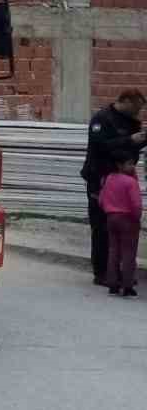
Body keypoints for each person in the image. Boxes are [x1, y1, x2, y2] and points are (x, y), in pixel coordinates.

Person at [82, 90, 146, 286]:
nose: (138, 111)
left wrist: (142, 138)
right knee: (101, 227)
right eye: (135, 107)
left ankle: (118, 272)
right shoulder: (102, 119)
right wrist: (130, 140)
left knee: (121, 228)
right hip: (100, 177)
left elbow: (131, 148)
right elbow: (100, 145)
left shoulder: (130, 120)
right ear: (124, 101)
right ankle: (101, 272)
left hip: (123, 180)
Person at [100, 152, 142, 297]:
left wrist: (109, 209)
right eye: (129, 164)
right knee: (128, 253)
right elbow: (136, 204)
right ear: (120, 165)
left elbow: (101, 200)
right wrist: (137, 218)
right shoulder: (131, 182)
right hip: (128, 220)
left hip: (111, 218)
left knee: (113, 251)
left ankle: (112, 284)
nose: (133, 166)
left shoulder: (109, 178)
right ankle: (127, 285)